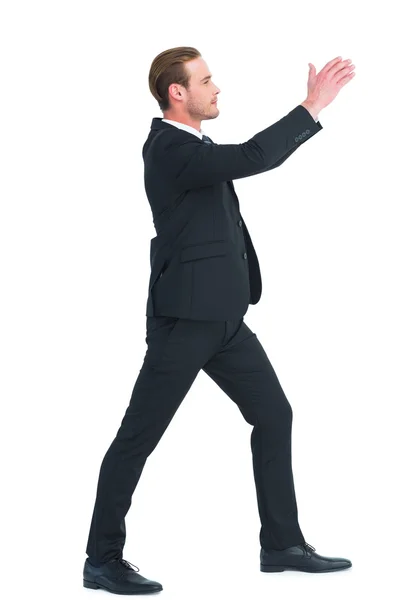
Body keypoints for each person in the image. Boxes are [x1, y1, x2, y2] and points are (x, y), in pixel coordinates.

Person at [83, 47, 356, 595]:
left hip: (226, 321)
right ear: (177, 93)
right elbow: (256, 155)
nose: (217, 88)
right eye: (205, 81)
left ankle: (281, 543)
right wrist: (311, 107)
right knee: (138, 437)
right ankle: (102, 558)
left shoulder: (193, 148)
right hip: (185, 322)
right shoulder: (168, 149)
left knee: (274, 414)